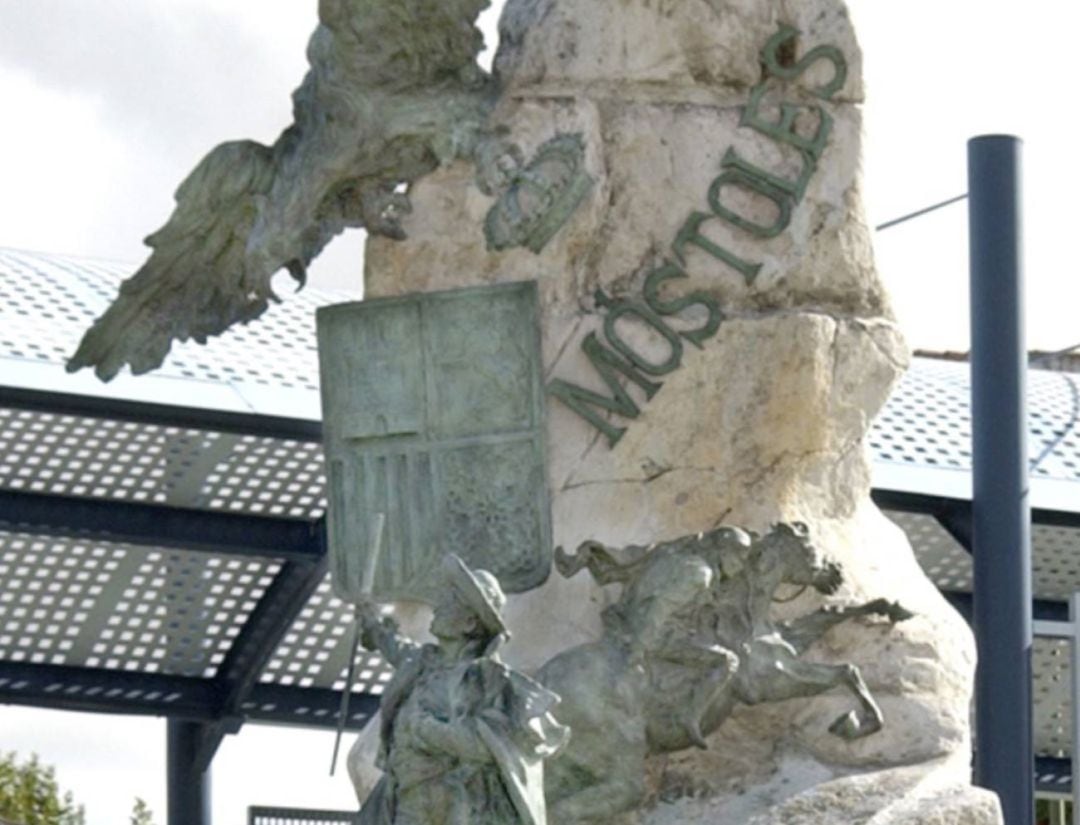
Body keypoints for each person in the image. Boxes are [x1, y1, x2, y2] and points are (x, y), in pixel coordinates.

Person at [356, 554, 568, 825]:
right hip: (405, 799)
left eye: (450, 601)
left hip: (452, 803)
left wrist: (428, 731)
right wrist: (372, 624)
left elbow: (489, 744)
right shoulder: (422, 663)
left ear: (469, 622)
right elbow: (393, 646)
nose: (438, 606)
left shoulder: (489, 680)